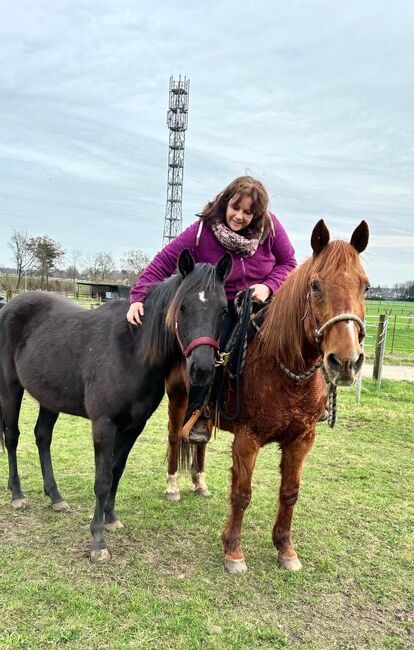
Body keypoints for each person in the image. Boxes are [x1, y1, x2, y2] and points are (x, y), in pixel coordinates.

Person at [127, 176, 297, 442]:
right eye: (235, 208)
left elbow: (288, 262)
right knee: (211, 350)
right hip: (222, 304)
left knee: (300, 330)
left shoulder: (271, 229)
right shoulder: (201, 231)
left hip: (262, 300)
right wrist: (138, 297)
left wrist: (268, 287)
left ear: (258, 213)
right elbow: (163, 262)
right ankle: (199, 413)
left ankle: (311, 398)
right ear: (224, 202)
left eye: (248, 212)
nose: (239, 216)